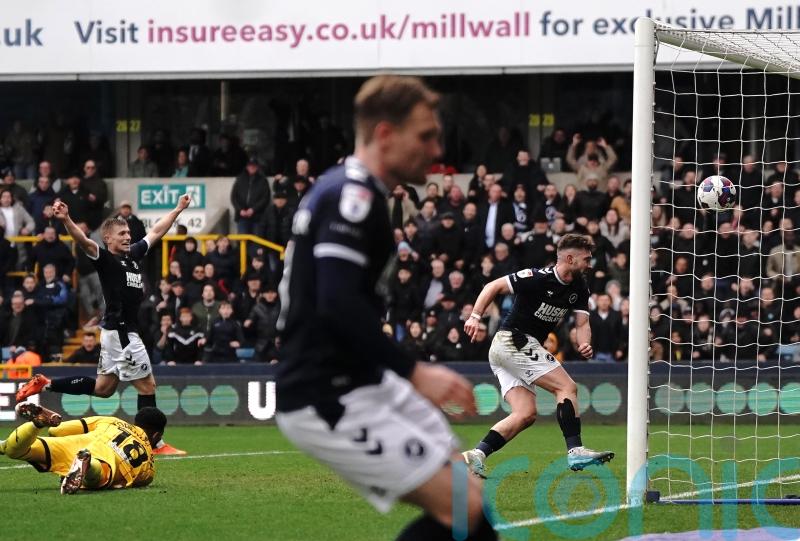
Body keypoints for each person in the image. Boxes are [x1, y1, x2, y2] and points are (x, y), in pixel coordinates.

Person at [275, 75, 494, 540]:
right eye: (426, 136)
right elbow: (335, 301)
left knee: (471, 508)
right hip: (325, 393)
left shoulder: (355, 191)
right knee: (461, 511)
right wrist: (414, 372)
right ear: (385, 135)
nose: (436, 150)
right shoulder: (352, 196)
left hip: (366, 380)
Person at [15, 193, 192, 456]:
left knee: (104, 389)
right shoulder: (106, 260)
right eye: (121, 233)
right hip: (122, 332)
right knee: (147, 387)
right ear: (107, 238)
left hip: (114, 332)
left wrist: (178, 209)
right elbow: (84, 241)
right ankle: (151, 444)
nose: (127, 236)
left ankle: (46, 383)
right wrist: (66, 219)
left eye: (128, 232)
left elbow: (155, 232)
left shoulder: (133, 255)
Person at [462, 233, 614, 477]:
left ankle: (476, 454)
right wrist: (475, 315)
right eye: (586, 259)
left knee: (525, 414)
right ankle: (575, 450)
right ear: (569, 258)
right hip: (513, 341)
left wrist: (584, 343)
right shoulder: (536, 277)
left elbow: (582, 323)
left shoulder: (580, 287)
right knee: (567, 387)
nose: (589, 264)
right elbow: (493, 286)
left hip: (510, 349)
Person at [1, 402, 165, 495]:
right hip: (107, 459)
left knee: (15, 450)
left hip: (74, 443)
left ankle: (35, 424)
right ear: (157, 436)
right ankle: (87, 462)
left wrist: (46, 425)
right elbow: (136, 481)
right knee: (99, 475)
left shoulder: (112, 421)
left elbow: (56, 430)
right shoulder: (149, 466)